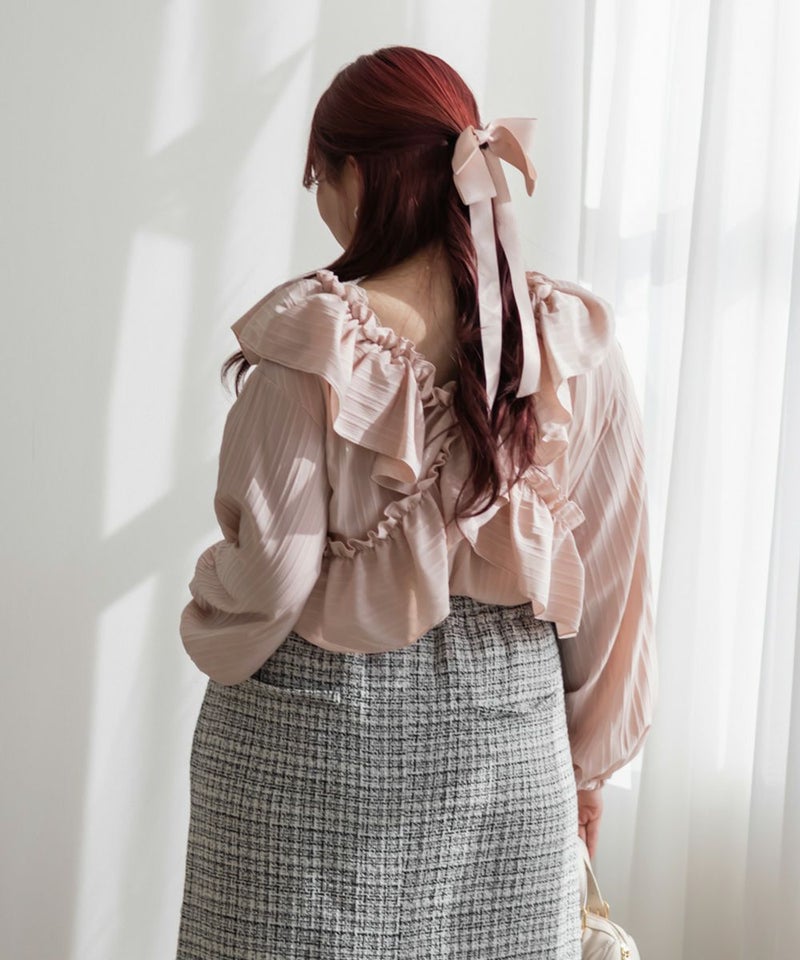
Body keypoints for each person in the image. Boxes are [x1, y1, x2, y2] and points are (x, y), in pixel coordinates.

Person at [175, 45, 656, 960]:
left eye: (318, 178)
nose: (321, 203)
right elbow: (610, 582)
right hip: (509, 764)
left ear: (357, 176)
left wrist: (206, 598)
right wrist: (588, 765)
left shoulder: (313, 346)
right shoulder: (571, 345)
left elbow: (270, 581)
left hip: (309, 767)